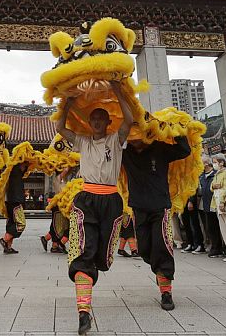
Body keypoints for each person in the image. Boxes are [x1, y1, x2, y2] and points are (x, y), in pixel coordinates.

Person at [56, 80, 133, 334]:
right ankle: (83, 311)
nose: (98, 122)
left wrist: (118, 89)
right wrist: (67, 103)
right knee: (83, 253)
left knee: (103, 256)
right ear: (90, 123)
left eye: (102, 118)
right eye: (94, 119)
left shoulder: (116, 139)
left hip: (111, 200)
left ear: (108, 122)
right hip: (87, 198)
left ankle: (86, 296)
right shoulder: (82, 141)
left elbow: (130, 119)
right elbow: (60, 127)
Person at [121, 124, 190, 311]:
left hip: (160, 207)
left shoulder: (159, 148)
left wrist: (176, 129)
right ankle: (160, 270)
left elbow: (184, 150)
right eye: (131, 136)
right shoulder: (125, 153)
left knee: (162, 248)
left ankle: (166, 291)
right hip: (138, 207)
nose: (134, 139)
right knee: (144, 250)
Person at [0, 161, 29, 254]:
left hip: (10, 200)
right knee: (21, 223)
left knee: (11, 223)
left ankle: (8, 246)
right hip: (15, 201)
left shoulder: (12, 171)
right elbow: (23, 167)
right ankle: (4, 239)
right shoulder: (16, 170)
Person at [199, 157, 224, 258]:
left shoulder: (215, 174)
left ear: (206, 164)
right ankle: (215, 247)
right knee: (210, 227)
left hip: (215, 203)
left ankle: (221, 247)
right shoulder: (202, 176)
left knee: (218, 226)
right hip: (206, 204)